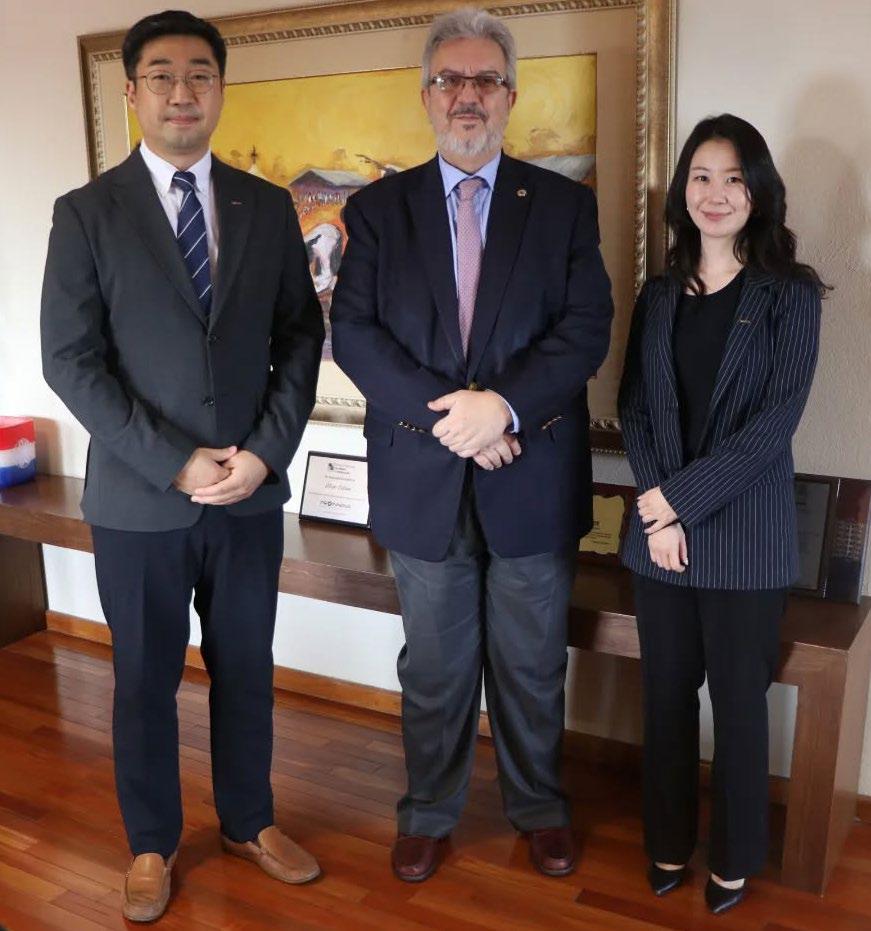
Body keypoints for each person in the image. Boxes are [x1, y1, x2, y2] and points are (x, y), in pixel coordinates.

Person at [40, 10, 325, 922]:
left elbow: (299, 337)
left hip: (246, 495)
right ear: (133, 92)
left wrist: (264, 454)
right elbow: (69, 360)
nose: (181, 91)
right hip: (140, 500)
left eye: (199, 73)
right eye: (161, 75)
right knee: (143, 680)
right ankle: (152, 842)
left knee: (246, 668)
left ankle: (249, 820)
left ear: (219, 89)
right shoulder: (87, 213)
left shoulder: (265, 206)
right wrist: (175, 462)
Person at [330, 6, 612, 883]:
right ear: (425, 95)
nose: (467, 95)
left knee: (530, 662)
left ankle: (539, 808)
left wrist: (504, 409)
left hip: (531, 473)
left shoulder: (563, 206)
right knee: (435, 667)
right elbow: (356, 336)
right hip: (423, 476)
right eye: (449, 79)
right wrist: (460, 421)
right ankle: (427, 812)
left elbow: (585, 328)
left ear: (510, 97)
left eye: (485, 79)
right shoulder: (376, 211)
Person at [618, 113, 827, 914]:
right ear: (682, 191)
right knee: (665, 698)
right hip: (658, 542)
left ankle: (735, 857)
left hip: (745, 537)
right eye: (701, 176)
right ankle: (667, 841)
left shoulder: (790, 293)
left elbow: (773, 424)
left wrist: (676, 502)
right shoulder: (658, 293)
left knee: (738, 707)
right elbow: (635, 408)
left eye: (733, 178)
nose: (715, 193)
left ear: (757, 192)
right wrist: (659, 513)